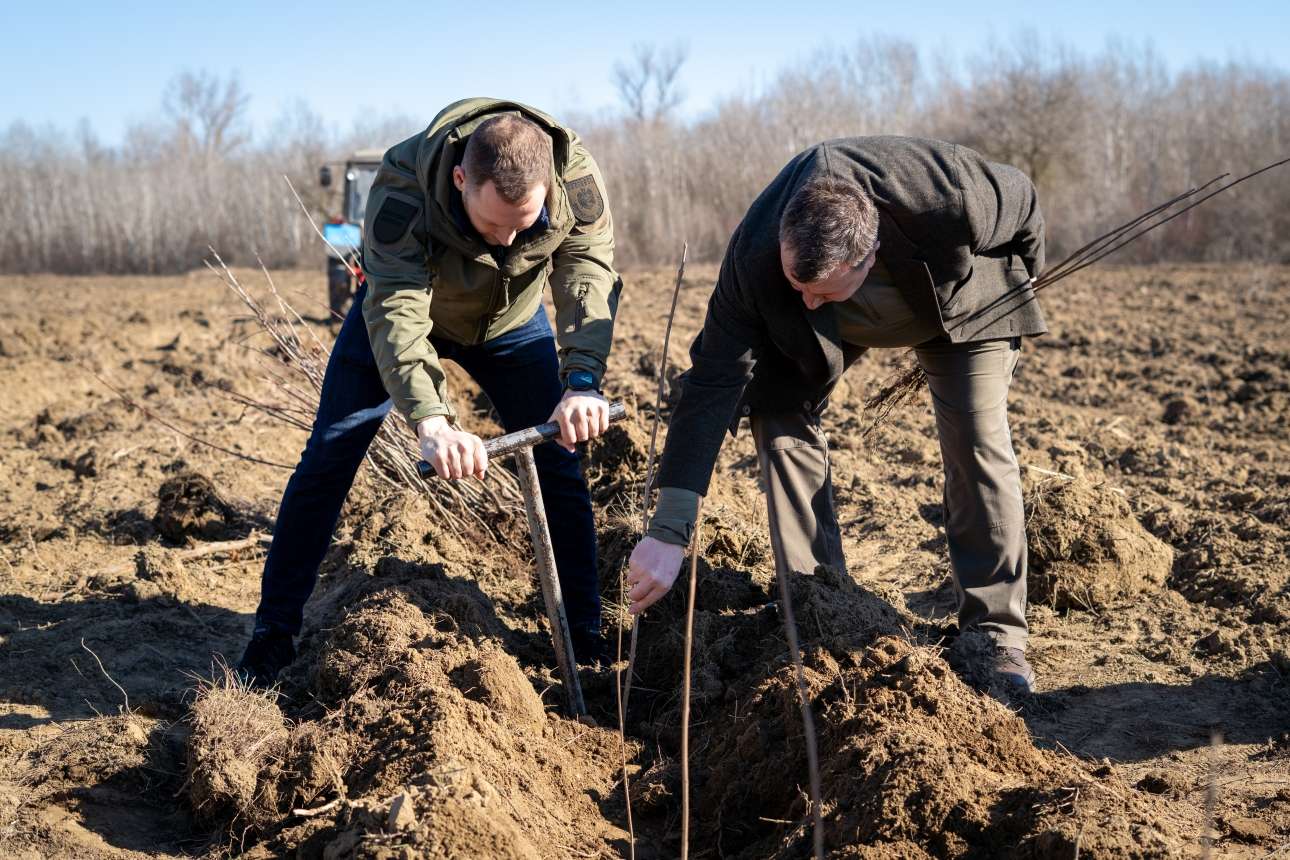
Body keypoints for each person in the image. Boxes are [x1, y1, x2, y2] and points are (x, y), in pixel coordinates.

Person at [626, 136, 1046, 692]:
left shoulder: (948, 197)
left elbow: (1024, 200)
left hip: (964, 307)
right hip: (834, 327)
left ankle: (995, 633)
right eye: (797, 284)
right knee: (774, 410)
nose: (806, 299)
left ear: (867, 255)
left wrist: (1029, 276)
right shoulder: (756, 257)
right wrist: (669, 531)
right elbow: (711, 384)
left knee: (976, 440)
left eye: (820, 290)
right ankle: (817, 601)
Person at [236, 98, 622, 686]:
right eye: (492, 225)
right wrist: (432, 421)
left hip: (512, 323)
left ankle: (584, 635)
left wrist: (584, 381)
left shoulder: (573, 175)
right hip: (407, 314)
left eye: (523, 224)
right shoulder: (402, 188)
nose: (506, 240)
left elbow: (588, 270)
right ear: (461, 179)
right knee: (328, 458)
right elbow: (397, 311)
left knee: (559, 463)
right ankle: (272, 636)